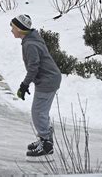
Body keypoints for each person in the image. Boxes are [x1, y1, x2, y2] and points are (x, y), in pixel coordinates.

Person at [10, 14, 62, 157]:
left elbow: (34, 67)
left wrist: (24, 85)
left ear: (20, 29)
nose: (11, 30)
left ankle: (46, 144)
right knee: (41, 112)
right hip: (49, 79)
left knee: (38, 112)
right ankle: (45, 138)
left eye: (13, 27)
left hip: (47, 80)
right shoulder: (31, 39)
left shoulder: (30, 44)